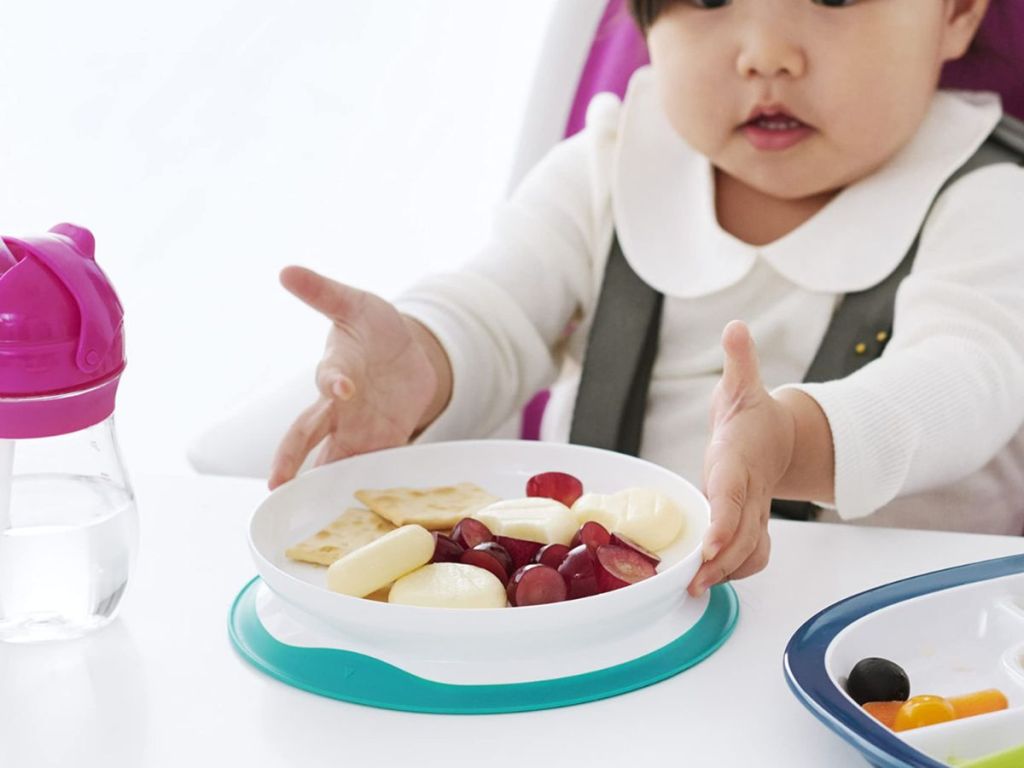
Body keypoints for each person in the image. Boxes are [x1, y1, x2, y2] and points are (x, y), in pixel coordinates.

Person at [268, 0, 1024, 597]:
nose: (766, 54)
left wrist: (793, 442)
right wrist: (425, 359)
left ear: (958, 11)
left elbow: (967, 379)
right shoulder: (611, 163)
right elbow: (496, 310)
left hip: (885, 633)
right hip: (601, 621)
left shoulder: (989, 198)